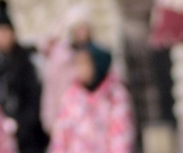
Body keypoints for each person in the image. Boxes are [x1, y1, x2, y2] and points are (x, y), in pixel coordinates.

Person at [46, 12, 132, 153]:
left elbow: (121, 137)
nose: (79, 70)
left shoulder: (114, 95)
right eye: (77, 64)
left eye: (84, 64)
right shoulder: (71, 96)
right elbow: (61, 136)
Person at [0, 2, 47, 153]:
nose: (3, 37)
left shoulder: (25, 60)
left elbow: (34, 96)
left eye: (6, 32)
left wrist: (22, 124)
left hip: (26, 133)